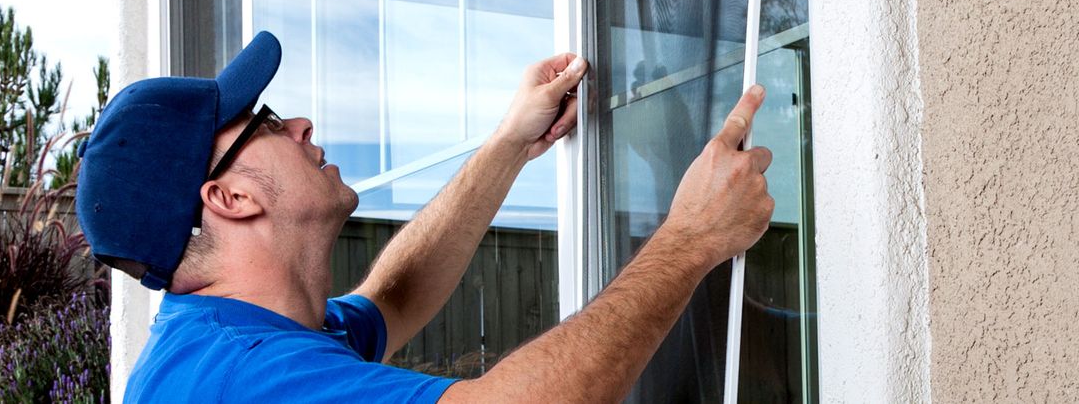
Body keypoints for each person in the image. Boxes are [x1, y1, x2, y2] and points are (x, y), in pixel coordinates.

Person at [76, 31, 773, 403]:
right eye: (262, 121)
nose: (298, 123)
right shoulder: (243, 379)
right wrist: (691, 239)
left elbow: (391, 299)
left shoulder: (242, 333)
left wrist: (507, 147)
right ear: (230, 198)